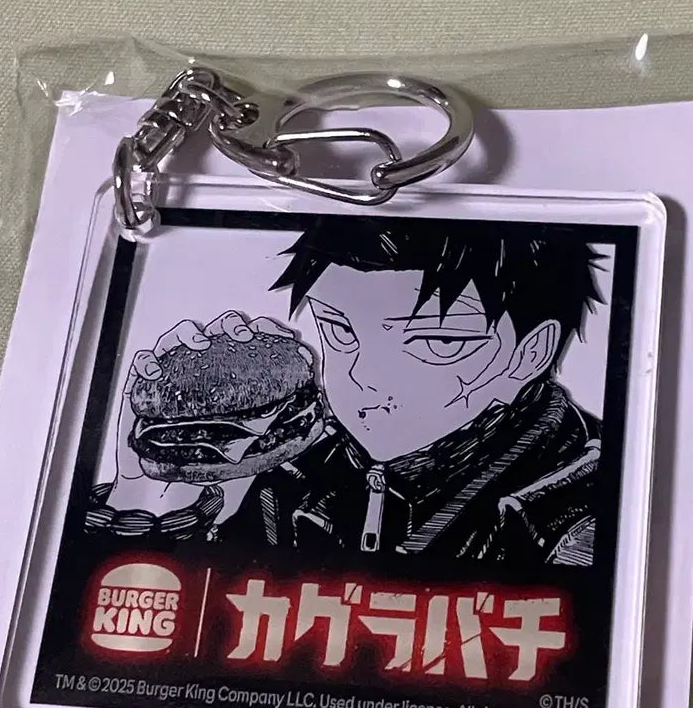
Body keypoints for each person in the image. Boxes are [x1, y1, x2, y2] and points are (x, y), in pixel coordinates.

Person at [89, 217, 604, 566]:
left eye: (439, 341)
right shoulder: (295, 470)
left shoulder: (576, 519)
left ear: (529, 353)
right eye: (339, 330)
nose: (364, 378)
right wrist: (155, 486)